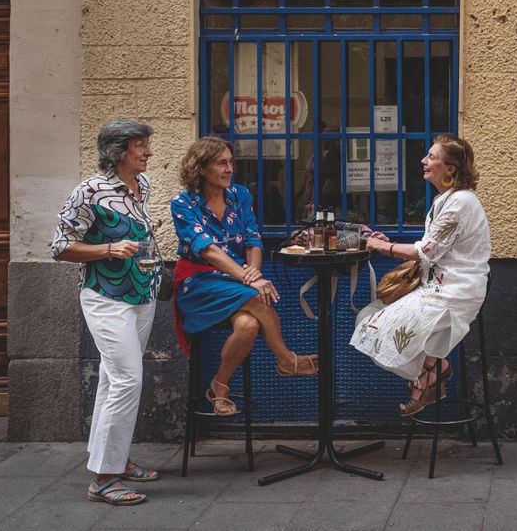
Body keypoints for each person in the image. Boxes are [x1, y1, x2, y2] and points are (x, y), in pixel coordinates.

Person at [52, 119, 163, 506]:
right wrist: (109, 250)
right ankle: (102, 479)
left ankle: (112, 459)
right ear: (118, 153)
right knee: (128, 380)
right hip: (106, 296)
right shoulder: (89, 191)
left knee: (113, 381)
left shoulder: (142, 186)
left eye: (147, 144)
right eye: (140, 146)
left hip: (142, 293)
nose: (148, 152)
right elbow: (61, 246)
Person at [171, 136, 318, 416]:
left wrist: (253, 271)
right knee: (255, 296)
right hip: (199, 282)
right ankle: (287, 359)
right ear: (201, 168)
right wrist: (249, 279)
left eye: (231, 163)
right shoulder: (183, 202)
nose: (229, 169)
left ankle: (219, 387)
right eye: (221, 163)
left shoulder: (240, 195)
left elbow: (252, 239)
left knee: (249, 325)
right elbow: (207, 250)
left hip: (237, 280)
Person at [350, 134, 490, 416]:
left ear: (450, 168)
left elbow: (428, 249)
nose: (424, 161)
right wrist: (389, 242)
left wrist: (383, 246)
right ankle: (434, 368)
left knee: (377, 324)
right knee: (370, 319)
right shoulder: (446, 199)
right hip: (438, 288)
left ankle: (433, 370)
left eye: (432, 157)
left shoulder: (460, 202)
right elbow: (436, 246)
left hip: (455, 292)